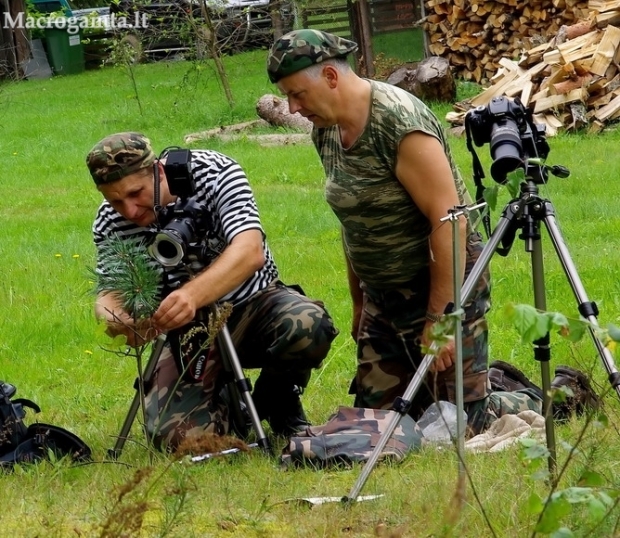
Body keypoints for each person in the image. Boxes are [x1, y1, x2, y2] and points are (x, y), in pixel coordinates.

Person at [266, 29, 545, 435]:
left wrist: (441, 318)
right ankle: (462, 379)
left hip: (441, 282)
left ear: (330, 76)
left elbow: (450, 220)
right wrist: (360, 301)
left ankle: (545, 393)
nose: (292, 107)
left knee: (461, 423)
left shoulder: (398, 122)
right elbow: (353, 218)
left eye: (298, 94)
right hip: (384, 292)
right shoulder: (325, 126)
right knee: (385, 422)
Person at [85, 132, 338, 449]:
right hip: (185, 331)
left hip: (252, 305)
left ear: (159, 171)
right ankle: (230, 410)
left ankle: (277, 400)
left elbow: (249, 251)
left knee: (307, 324)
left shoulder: (214, 172)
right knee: (180, 440)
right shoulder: (110, 220)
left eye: (136, 193)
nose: (131, 211)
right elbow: (110, 290)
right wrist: (117, 318)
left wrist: (190, 295)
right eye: (115, 200)